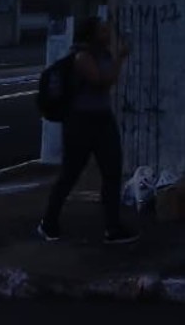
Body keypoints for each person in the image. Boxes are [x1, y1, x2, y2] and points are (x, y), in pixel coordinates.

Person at [39, 15, 138, 244]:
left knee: (112, 171)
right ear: (92, 35)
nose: (107, 34)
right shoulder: (82, 57)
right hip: (81, 122)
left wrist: (115, 58)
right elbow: (102, 81)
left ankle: (112, 227)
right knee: (70, 173)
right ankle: (48, 223)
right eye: (102, 31)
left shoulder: (102, 54)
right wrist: (120, 59)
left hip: (102, 119)